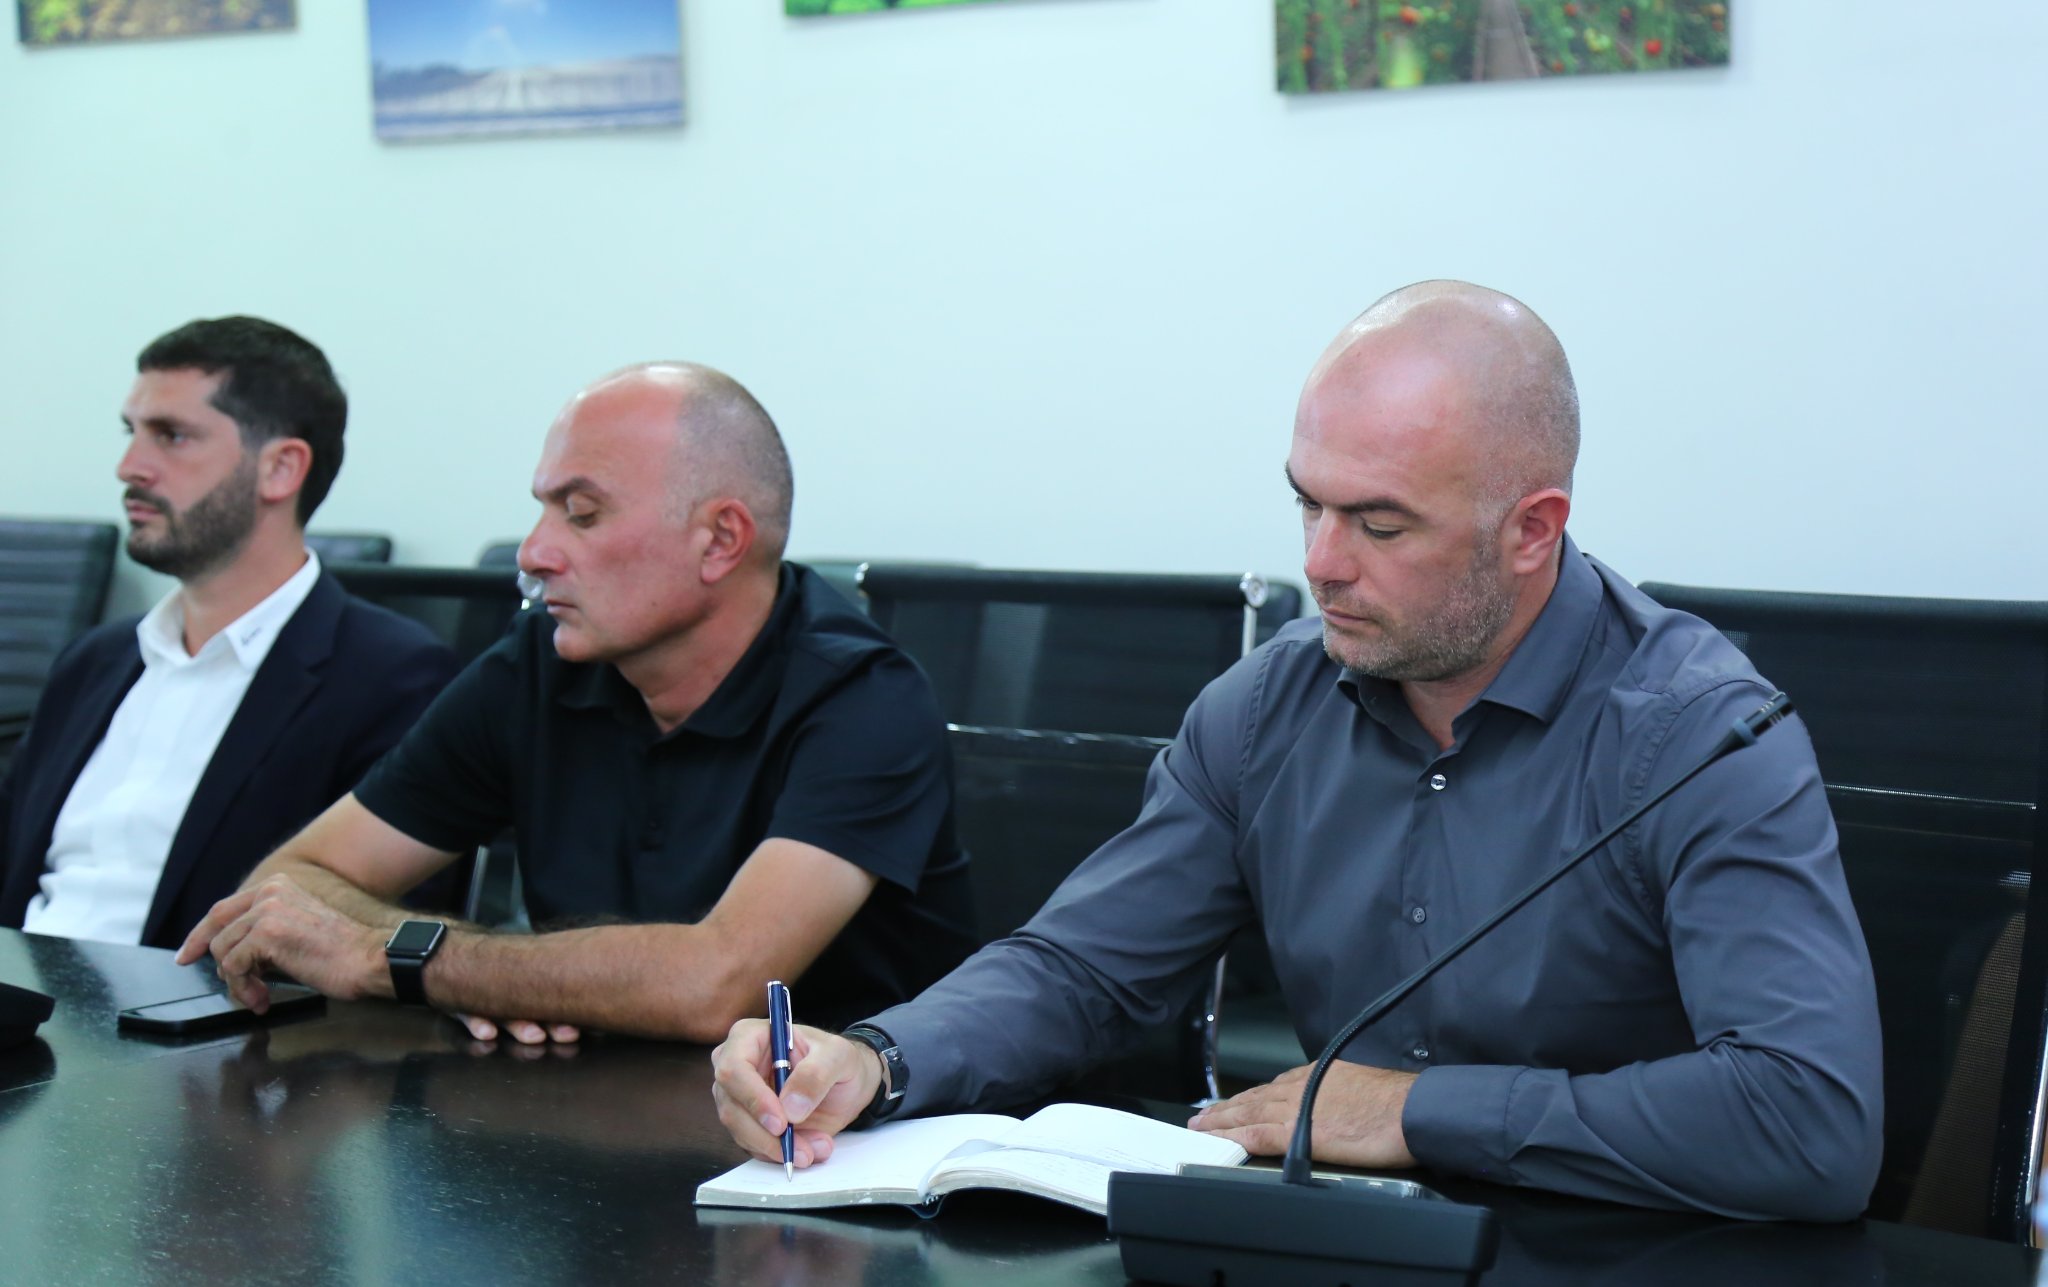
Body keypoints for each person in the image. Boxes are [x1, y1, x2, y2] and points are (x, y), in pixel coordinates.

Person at [710, 282, 1885, 1222]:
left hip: (1626, 1252)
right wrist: (876, 1060)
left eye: (1378, 523)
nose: (1320, 563)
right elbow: (1083, 969)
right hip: (1341, 1243)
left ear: (1530, 531)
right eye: (1306, 505)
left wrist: (1419, 1111)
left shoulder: (1700, 736)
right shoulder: (1268, 705)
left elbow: (1807, 1123)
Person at [178, 362, 977, 1045]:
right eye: (542, 508)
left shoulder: (864, 696)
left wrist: (394, 960)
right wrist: (479, 972)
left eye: (582, 513)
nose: (534, 552)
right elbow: (291, 880)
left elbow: (718, 984)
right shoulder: (540, 663)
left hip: (821, 1145)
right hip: (573, 1115)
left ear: (720, 540)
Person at [0, 317, 458, 948]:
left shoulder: (392, 679)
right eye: (132, 433)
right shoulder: (95, 661)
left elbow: (372, 939)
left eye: (172, 436)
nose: (130, 468)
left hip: (191, 1007)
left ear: (280, 469)